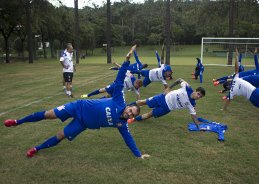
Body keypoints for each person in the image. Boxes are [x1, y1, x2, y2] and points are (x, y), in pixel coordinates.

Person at [4, 45, 150, 159]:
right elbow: (119, 79)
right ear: (129, 107)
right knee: (49, 114)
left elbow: (129, 140)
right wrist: (126, 61)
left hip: (82, 124)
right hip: (78, 106)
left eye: (132, 115)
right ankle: (17, 121)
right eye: (131, 110)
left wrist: (138, 155)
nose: (130, 113)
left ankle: (36, 149)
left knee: (61, 136)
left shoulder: (122, 124)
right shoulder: (119, 100)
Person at [222, 48, 259, 116]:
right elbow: (236, 68)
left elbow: (228, 100)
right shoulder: (235, 79)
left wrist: (224, 108)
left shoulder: (231, 91)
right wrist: (236, 56)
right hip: (256, 92)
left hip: (253, 100)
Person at [127, 78, 206, 128]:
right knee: (143, 102)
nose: (198, 97)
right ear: (195, 91)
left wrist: (198, 126)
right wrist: (168, 88)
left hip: (166, 108)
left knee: (149, 115)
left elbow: (194, 116)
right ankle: (126, 107)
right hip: (162, 98)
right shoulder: (187, 87)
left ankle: (133, 119)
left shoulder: (192, 104)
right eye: (198, 94)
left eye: (200, 97)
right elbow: (179, 80)